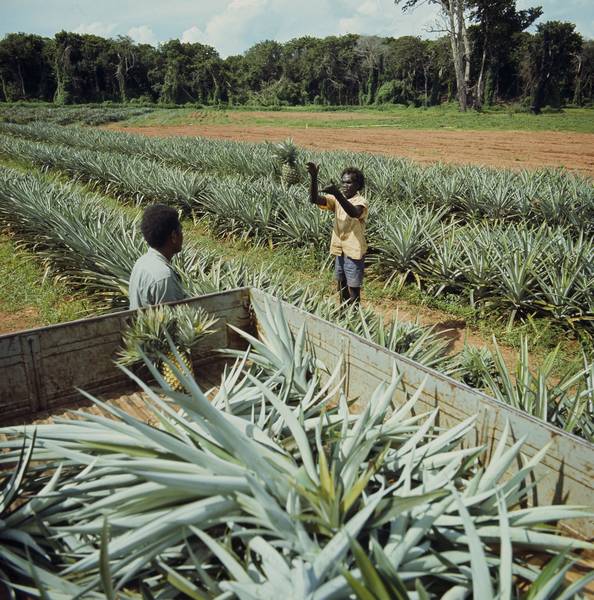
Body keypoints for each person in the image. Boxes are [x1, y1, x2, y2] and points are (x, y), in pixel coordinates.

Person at [306, 162, 368, 305]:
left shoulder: (361, 201)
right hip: (339, 250)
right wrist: (314, 177)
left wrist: (337, 193)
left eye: (349, 182)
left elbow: (353, 212)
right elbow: (314, 199)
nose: (345, 185)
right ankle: (343, 312)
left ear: (358, 185)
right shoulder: (337, 199)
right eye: (343, 182)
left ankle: (354, 318)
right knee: (341, 286)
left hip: (354, 252)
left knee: (353, 290)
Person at [128, 203, 187, 310]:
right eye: (181, 230)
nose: (182, 234)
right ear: (174, 236)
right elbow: (171, 322)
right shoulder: (164, 277)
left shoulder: (142, 262)